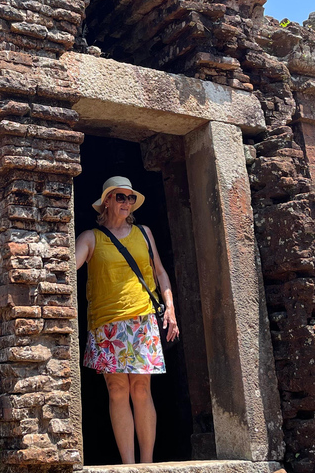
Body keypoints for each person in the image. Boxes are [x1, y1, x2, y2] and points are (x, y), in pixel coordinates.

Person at [75, 176, 179, 464]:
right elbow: (70, 264)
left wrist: (169, 308)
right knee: (117, 390)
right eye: (120, 197)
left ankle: (147, 465)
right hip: (106, 323)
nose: (126, 202)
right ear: (107, 200)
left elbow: (159, 273)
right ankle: (129, 466)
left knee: (141, 388)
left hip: (142, 318)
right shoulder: (90, 237)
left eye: (130, 198)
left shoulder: (144, 233)